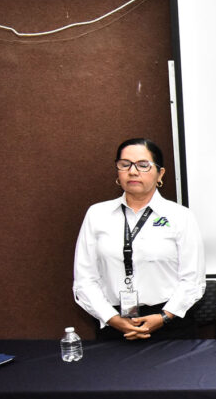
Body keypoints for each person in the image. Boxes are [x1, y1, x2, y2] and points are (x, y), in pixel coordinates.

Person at [73, 138, 205, 340]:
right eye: (125, 165)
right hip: (114, 325)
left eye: (143, 165)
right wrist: (112, 319)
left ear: (160, 173)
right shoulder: (97, 214)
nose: (133, 171)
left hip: (170, 325)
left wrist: (164, 316)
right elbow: (85, 280)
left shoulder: (181, 216)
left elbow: (192, 280)